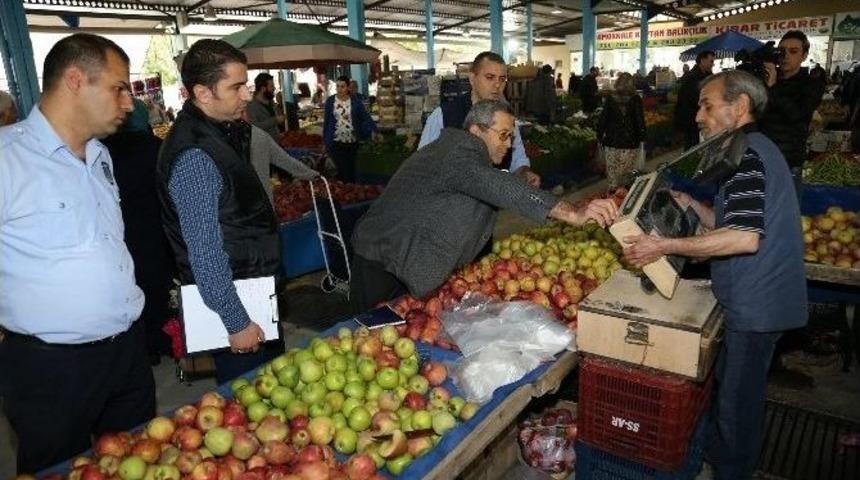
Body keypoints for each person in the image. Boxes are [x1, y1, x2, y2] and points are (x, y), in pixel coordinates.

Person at [623, 70, 807, 480]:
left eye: (707, 105)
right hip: (755, 299)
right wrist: (692, 203)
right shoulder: (751, 148)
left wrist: (663, 246)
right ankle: (722, 456)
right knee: (731, 388)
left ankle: (733, 470)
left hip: (758, 305)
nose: (697, 116)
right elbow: (731, 223)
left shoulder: (747, 157)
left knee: (738, 405)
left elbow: (743, 239)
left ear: (739, 106)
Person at [0, 33, 155, 474]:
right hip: (51, 368)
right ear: (74, 80)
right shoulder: (7, 160)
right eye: (118, 88)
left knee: (138, 460)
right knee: (56, 468)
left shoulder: (102, 156)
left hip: (126, 352)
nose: (129, 103)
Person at [349, 100, 619, 312]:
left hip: (400, 255)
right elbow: (497, 186)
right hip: (380, 260)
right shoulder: (457, 154)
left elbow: (485, 187)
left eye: (511, 136)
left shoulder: (462, 158)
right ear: (476, 131)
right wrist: (572, 212)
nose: (509, 144)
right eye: (503, 135)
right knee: (370, 331)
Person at [157, 39, 283, 384]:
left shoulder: (218, 134)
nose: (246, 95)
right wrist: (236, 321)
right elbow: (205, 253)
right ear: (203, 92)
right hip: (238, 308)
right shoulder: (196, 158)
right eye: (236, 86)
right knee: (251, 401)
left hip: (251, 289)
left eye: (247, 83)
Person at [102, 98, 176, 365]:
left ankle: (147, 348)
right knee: (159, 286)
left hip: (120, 234)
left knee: (132, 287)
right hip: (155, 230)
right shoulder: (156, 148)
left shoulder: (102, 151)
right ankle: (166, 340)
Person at [419, 51, 540, 187]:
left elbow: (518, 159)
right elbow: (423, 163)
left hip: (494, 202)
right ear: (472, 79)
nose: (497, 85)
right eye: (490, 77)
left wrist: (525, 173)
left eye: (502, 79)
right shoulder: (443, 115)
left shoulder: (506, 117)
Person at [759, 30, 826, 194]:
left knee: (786, 212)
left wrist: (772, 87)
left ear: (804, 55)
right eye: (781, 51)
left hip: (788, 162)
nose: (785, 56)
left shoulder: (811, 82)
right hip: (761, 158)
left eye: (793, 51)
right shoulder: (768, 78)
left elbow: (798, 115)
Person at [247, 120, 320, 206]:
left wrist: (311, 174)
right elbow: (283, 159)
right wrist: (311, 174)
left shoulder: (258, 135)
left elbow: (283, 159)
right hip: (255, 203)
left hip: (257, 204)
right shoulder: (257, 134)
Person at [323, 75, 377, 184]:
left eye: (342, 86)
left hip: (352, 141)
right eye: (337, 86)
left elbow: (365, 117)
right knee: (343, 169)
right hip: (336, 141)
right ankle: (345, 190)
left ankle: (350, 190)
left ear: (348, 87)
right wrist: (325, 140)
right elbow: (327, 121)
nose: (339, 89)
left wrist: (374, 130)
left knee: (351, 169)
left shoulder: (355, 102)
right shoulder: (330, 101)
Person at [596, 73, 646, 188]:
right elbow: (640, 120)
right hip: (630, 142)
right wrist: (642, 138)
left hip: (612, 141)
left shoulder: (610, 98)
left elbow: (603, 118)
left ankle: (612, 194)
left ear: (618, 83)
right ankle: (623, 197)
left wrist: (599, 135)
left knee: (612, 173)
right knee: (626, 174)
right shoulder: (636, 99)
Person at [674, 50, 715, 150]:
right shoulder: (692, 77)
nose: (713, 64)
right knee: (692, 145)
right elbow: (694, 98)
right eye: (711, 61)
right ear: (702, 60)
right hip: (691, 118)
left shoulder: (707, 75)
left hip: (699, 116)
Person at [247, 72, 285, 141]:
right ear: (263, 88)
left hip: (276, 143)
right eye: (271, 86)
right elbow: (254, 127)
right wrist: (275, 120)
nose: (274, 88)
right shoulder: (251, 106)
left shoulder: (271, 102)